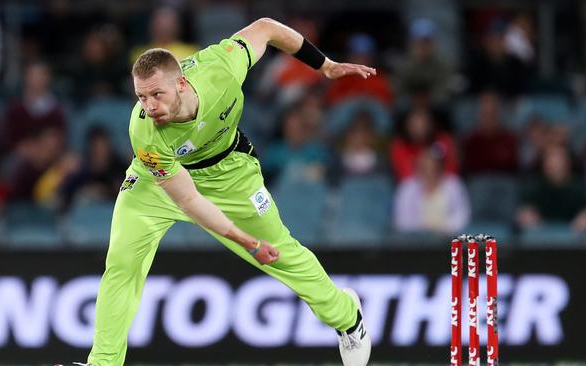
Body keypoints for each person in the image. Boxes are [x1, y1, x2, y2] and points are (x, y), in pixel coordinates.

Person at [68, 18, 375, 366]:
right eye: (142, 97)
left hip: (229, 173)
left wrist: (325, 65)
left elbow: (266, 28)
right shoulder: (144, 131)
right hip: (159, 180)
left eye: (157, 95)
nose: (149, 106)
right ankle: (103, 363)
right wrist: (246, 242)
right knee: (122, 261)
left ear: (181, 83)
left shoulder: (221, 69)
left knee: (282, 253)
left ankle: (348, 318)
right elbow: (188, 200)